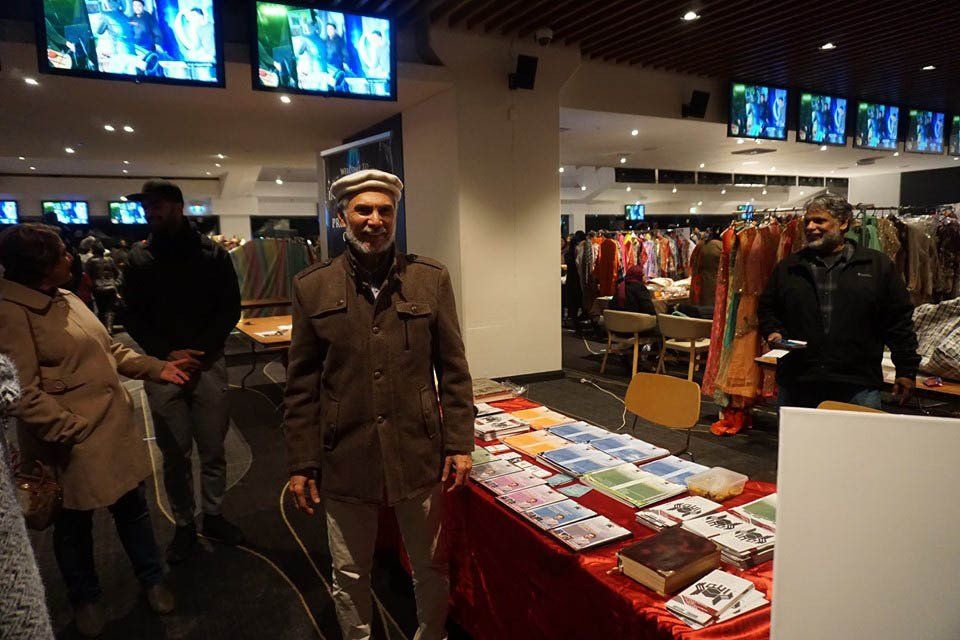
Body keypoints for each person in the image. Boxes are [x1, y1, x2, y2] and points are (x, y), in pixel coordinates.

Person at [284, 169, 474, 640]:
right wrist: (302, 461)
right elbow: (301, 383)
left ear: (395, 215)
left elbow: (454, 368)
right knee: (349, 573)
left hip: (418, 450)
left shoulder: (430, 280)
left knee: (430, 565)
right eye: (363, 210)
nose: (374, 220)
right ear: (341, 216)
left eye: (384, 210)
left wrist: (459, 442)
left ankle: (432, 633)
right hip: (346, 454)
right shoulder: (313, 286)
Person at [0, 224, 190, 638]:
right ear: (40, 266)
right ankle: (85, 597)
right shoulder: (10, 311)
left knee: (134, 511)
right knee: (73, 527)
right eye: (61, 254)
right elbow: (19, 390)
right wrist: (70, 428)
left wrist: (156, 368)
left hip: (113, 429)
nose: (71, 258)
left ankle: (152, 578)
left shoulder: (66, 297)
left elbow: (110, 349)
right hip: (70, 442)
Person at [120, 180, 244, 564]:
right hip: (162, 366)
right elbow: (132, 317)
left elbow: (230, 309)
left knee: (212, 448)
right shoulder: (139, 260)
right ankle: (184, 524)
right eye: (146, 207)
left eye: (156, 205)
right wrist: (166, 353)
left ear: (178, 207)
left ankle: (214, 514)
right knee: (173, 452)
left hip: (208, 363)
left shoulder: (214, 256)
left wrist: (199, 351)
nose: (149, 212)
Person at [758, 195, 920, 409]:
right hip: (799, 381)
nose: (810, 227)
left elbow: (898, 321)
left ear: (843, 223)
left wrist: (906, 370)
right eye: (807, 222)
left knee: (858, 442)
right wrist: (774, 332)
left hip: (857, 383)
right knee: (800, 443)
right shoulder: (789, 267)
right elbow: (768, 308)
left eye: (819, 221)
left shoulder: (876, 266)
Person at [85, 241, 121, 333]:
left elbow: (87, 276)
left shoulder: (90, 261)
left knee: (101, 309)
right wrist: (114, 282)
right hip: (111, 287)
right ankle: (109, 328)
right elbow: (117, 273)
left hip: (98, 288)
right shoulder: (110, 260)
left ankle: (103, 330)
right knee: (110, 309)